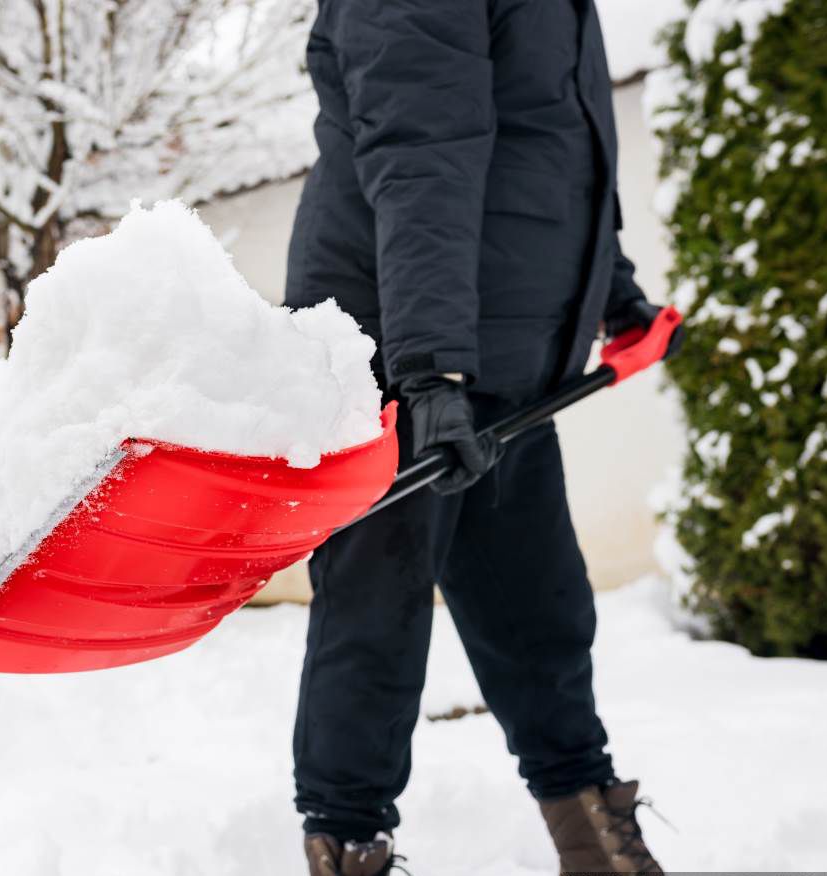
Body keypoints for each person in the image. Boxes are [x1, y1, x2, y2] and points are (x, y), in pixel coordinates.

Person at [284, 1, 683, 874]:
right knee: (377, 621)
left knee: (542, 611)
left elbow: (554, 146)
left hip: (500, 359)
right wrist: (432, 372)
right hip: (398, 359)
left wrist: (610, 290)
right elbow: (419, 149)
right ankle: (348, 847)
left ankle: (595, 840)